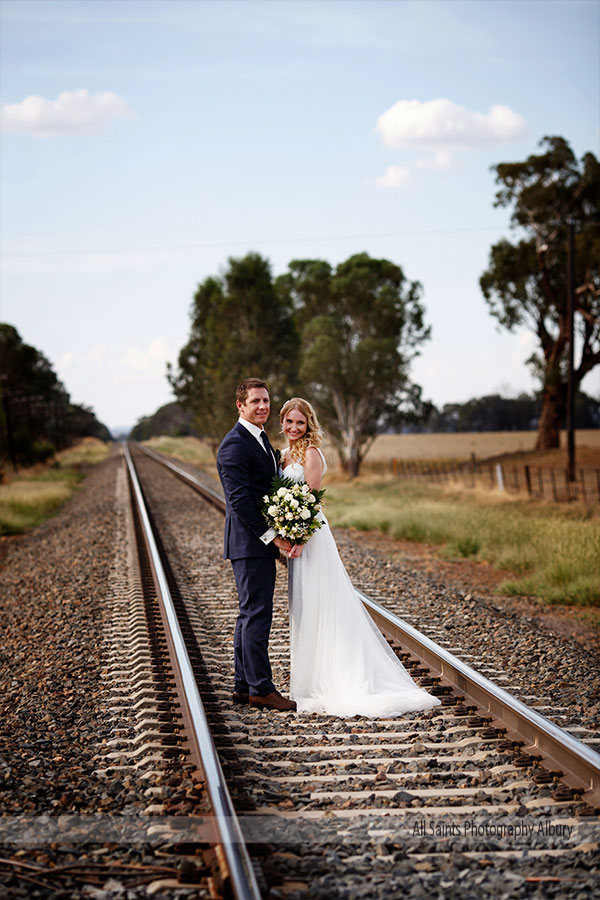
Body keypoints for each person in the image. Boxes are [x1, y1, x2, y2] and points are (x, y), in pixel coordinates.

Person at [280, 397, 441, 717]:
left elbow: (311, 500)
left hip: (311, 536)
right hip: (294, 539)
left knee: (321, 601)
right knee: (304, 605)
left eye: (300, 422)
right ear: (282, 423)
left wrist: (297, 536)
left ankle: (335, 676)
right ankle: (309, 680)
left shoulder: (311, 454)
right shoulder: (282, 455)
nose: (295, 428)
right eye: (289, 422)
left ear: (308, 424)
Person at [217, 378, 298, 712]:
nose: (263, 406)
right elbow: (241, 501)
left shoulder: (260, 438)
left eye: (266, 400)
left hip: (254, 545)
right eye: (255, 402)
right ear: (241, 405)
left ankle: (243, 686)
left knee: (248, 614)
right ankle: (262, 689)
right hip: (249, 545)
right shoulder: (234, 444)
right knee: (256, 614)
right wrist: (273, 535)